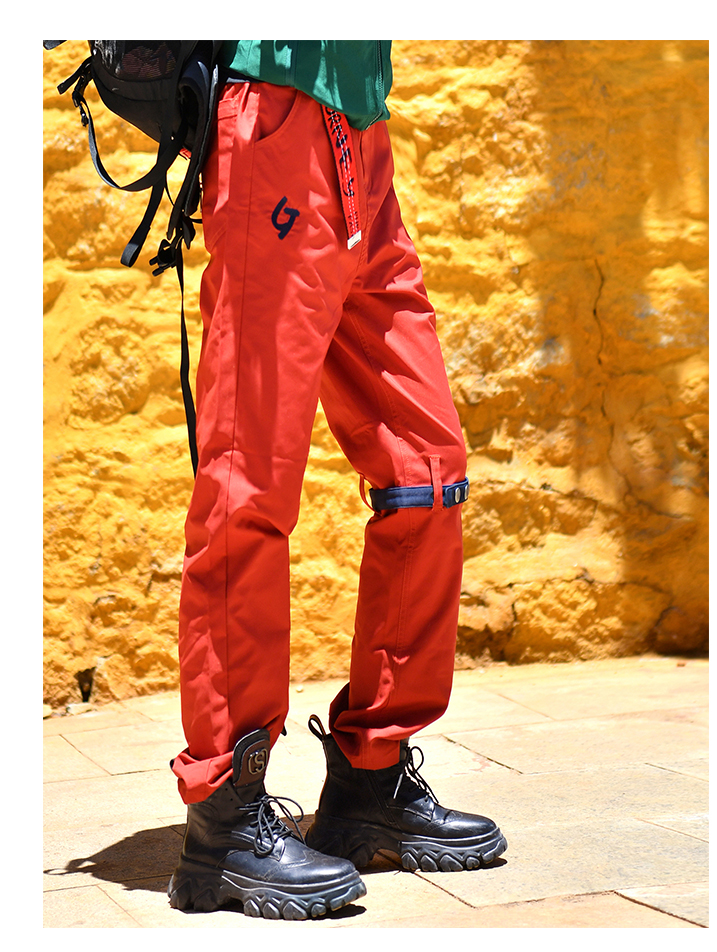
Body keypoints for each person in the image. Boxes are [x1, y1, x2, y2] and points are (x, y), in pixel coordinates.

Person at [167, 40, 507, 921]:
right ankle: (224, 819)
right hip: (274, 122)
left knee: (427, 471)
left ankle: (370, 780)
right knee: (249, 487)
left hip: (361, 130)